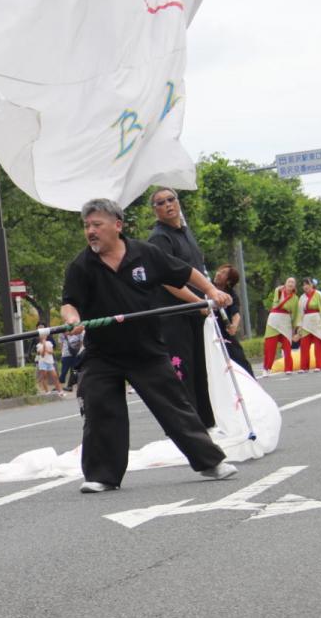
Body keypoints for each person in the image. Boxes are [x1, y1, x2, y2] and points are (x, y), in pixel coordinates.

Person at [60, 198, 236, 494]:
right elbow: (69, 304)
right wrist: (73, 319)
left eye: (97, 225)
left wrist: (210, 290)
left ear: (117, 226)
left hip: (146, 349)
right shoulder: (81, 266)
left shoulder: (145, 254)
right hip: (102, 353)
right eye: (86, 226)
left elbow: (183, 272)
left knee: (175, 408)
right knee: (101, 409)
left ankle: (210, 462)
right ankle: (102, 475)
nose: (90, 231)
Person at [146, 187, 214, 426]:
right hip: (175, 315)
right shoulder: (159, 238)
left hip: (197, 312)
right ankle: (187, 426)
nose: (167, 205)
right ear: (155, 210)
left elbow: (197, 271)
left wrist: (208, 296)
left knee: (201, 368)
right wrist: (198, 302)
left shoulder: (185, 232)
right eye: (160, 202)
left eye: (171, 199)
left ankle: (206, 422)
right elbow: (167, 280)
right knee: (182, 369)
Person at [212, 265, 253, 375]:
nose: (219, 273)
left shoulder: (232, 295)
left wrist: (234, 325)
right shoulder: (207, 287)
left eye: (224, 273)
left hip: (224, 332)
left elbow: (236, 314)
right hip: (208, 331)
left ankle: (251, 384)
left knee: (240, 359)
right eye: (220, 270)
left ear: (229, 281)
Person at [262, 277, 300, 376]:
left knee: (287, 346)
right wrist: (281, 288)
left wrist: (294, 329)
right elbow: (276, 299)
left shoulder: (295, 298)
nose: (290, 284)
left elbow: (295, 314)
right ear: (285, 283)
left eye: (293, 282)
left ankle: (288, 368)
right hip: (274, 320)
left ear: (295, 286)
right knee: (270, 345)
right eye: (289, 282)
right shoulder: (278, 291)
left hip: (286, 321)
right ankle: (266, 368)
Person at [297, 277, 321, 372]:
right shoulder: (302, 297)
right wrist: (299, 325)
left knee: (318, 345)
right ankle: (304, 367)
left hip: (317, 321)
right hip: (306, 321)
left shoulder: (319, 294)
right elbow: (300, 312)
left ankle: (319, 366)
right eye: (304, 284)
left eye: (307, 284)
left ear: (312, 284)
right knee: (304, 345)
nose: (305, 286)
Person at [34, 323, 66, 396]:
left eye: (45, 335)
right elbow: (42, 354)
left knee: (55, 377)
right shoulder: (38, 345)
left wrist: (46, 347)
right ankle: (47, 392)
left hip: (50, 362)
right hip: (42, 363)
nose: (44, 337)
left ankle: (60, 391)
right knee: (44, 377)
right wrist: (44, 345)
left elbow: (51, 352)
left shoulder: (49, 342)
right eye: (42, 336)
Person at [59, 323, 84, 389]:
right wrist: (62, 353)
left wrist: (79, 352)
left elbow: (81, 342)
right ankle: (59, 386)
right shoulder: (62, 330)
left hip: (76, 354)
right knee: (63, 372)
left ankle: (69, 386)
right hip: (66, 354)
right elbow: (61, 343)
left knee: (73, 371)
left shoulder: (78, 328)